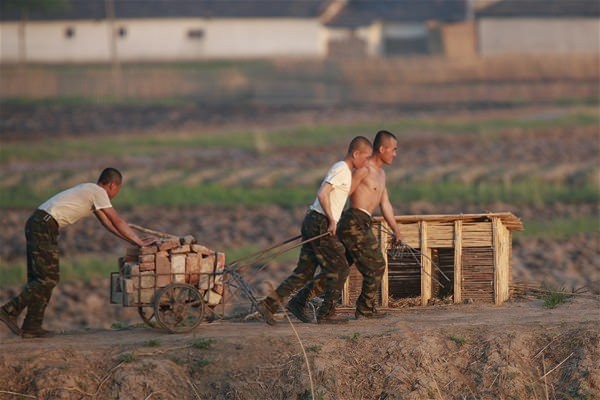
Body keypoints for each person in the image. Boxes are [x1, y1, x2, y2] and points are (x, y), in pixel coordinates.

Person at [0, 167, 155, 338]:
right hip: (43, 226)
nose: (116, 194)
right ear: (112, 185)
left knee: (42, 279)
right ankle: (9, 310)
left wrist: (134, 241)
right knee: (47, 279)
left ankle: (32, 326)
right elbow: (117, 220)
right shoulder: (98, 192)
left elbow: (108, 224)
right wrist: (140, 242)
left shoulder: (90, 191)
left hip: (40, 224)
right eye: (118, 189)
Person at [256, 136, 373, 325]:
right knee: (340, 268)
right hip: (320, 221)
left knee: (304, 271)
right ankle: (326, 313)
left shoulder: (344, 170)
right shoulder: (342, 169)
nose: (366, 163)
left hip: (314, 220)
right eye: (366, 157)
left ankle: (274, 305)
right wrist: (332, 219)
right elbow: (323, 194)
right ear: (356, 153)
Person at [338, 130, 403, 319]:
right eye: (393, 149)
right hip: (353, 221)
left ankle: (299, 301)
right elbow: (345, 193)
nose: (395, 154)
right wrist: (332, 219)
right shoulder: (364, 169)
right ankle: (364, 309)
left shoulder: (382, 175)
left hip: (363, 222)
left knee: (339, 268)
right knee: (376, 265)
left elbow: (385, 205)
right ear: (382, 149)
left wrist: (396, 230)